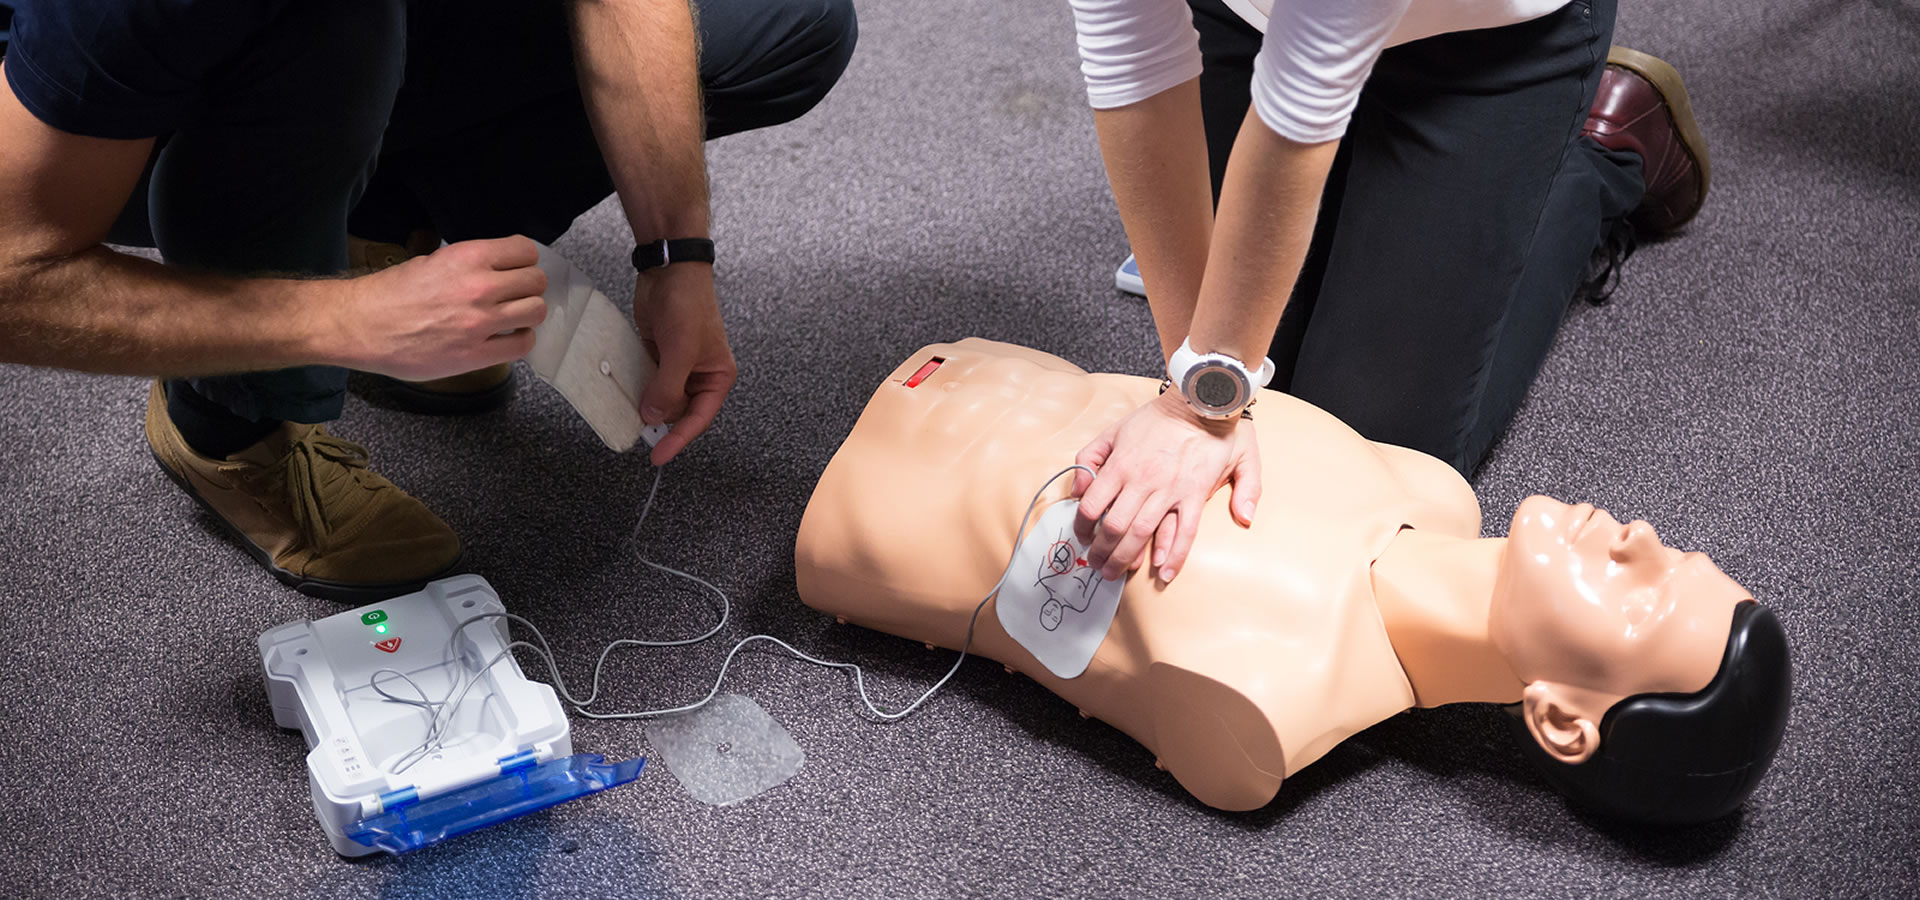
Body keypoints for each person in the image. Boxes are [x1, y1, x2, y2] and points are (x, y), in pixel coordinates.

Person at [0, 0, 855, 601]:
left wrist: (675, 256)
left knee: (785, 21)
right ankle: (229, 425)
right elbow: (15, 279)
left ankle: (370, 227)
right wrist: (351, 321)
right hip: (77, 122)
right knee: (336, 31)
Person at [796, 339, 1788, 823]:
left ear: (1564, 722)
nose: (1643, 537)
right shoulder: (1429, 491)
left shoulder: (1269, 703)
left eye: (1647, 595)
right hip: (974, 364)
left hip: (862, 507)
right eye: (1675, 552)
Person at [1061, 0, 1711, 590]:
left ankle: (1596, 156)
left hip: (1487, 45)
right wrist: (1193, 383)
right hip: (1248, 18)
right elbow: (1129, 49)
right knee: (1263, 423)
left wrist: (1200, 410)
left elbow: (1304, 98)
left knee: (1356, 479)